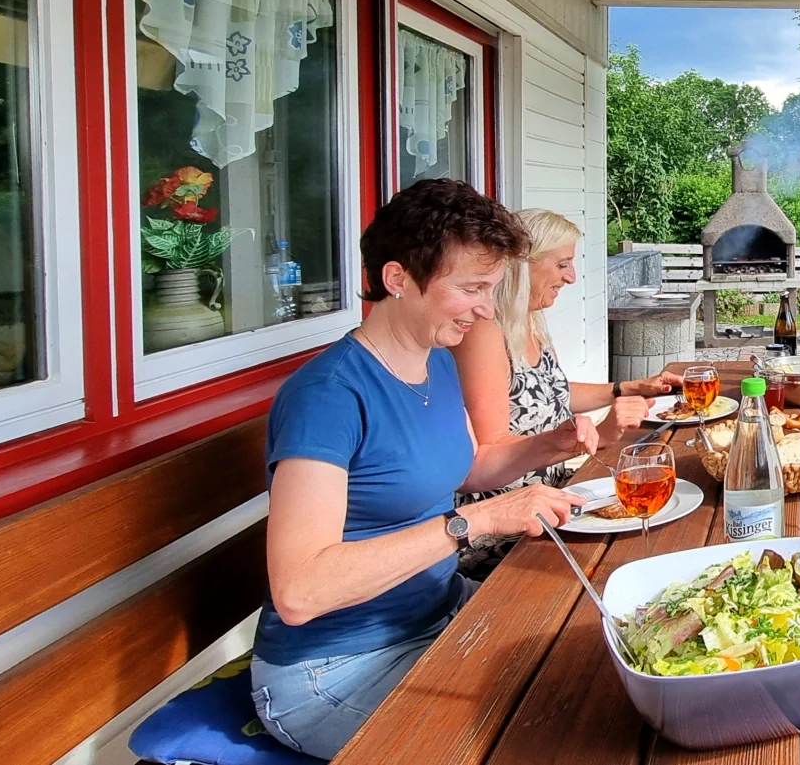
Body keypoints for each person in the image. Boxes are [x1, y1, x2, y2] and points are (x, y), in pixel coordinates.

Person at [252, 179, 591, 759]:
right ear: (398, 278)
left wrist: (549, 445)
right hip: (333, 668)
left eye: (492, 288)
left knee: (590, 662)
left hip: (440, 615)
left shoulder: (435, 362)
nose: (486, 309)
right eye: (471, 289)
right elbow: (299, 591)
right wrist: (473, 523)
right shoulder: (329, 396)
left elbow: (472, 466)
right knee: (537, 738)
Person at [451, 208, 681, 577]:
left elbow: (551, 392)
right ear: (523, 265)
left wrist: (625, 388)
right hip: (510, 528)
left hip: (557, 497)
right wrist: (592, 436)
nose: (571, 277)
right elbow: (491, 450)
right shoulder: (484, 332)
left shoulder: (528, 320)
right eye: (562, 264)